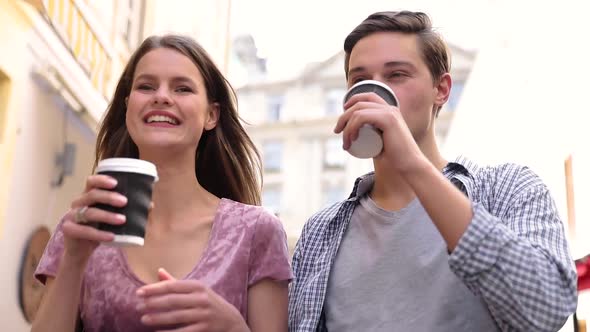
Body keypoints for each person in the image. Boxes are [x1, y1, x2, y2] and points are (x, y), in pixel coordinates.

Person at [288, 10, 577, 332]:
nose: (373, 92)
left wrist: (412, 164)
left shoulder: (507, 189)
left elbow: (548, 308)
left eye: (397, 75)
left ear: (441, 90)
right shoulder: (320, 231)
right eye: (359, 80)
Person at [31, 34, 292, 332]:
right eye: (146, 86)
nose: (162, 97)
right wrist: (74, 259)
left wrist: (233, 328)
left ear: (211, 115)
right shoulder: (84, 226)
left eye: (182, 88)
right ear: (129, 107)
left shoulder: (256, 231)